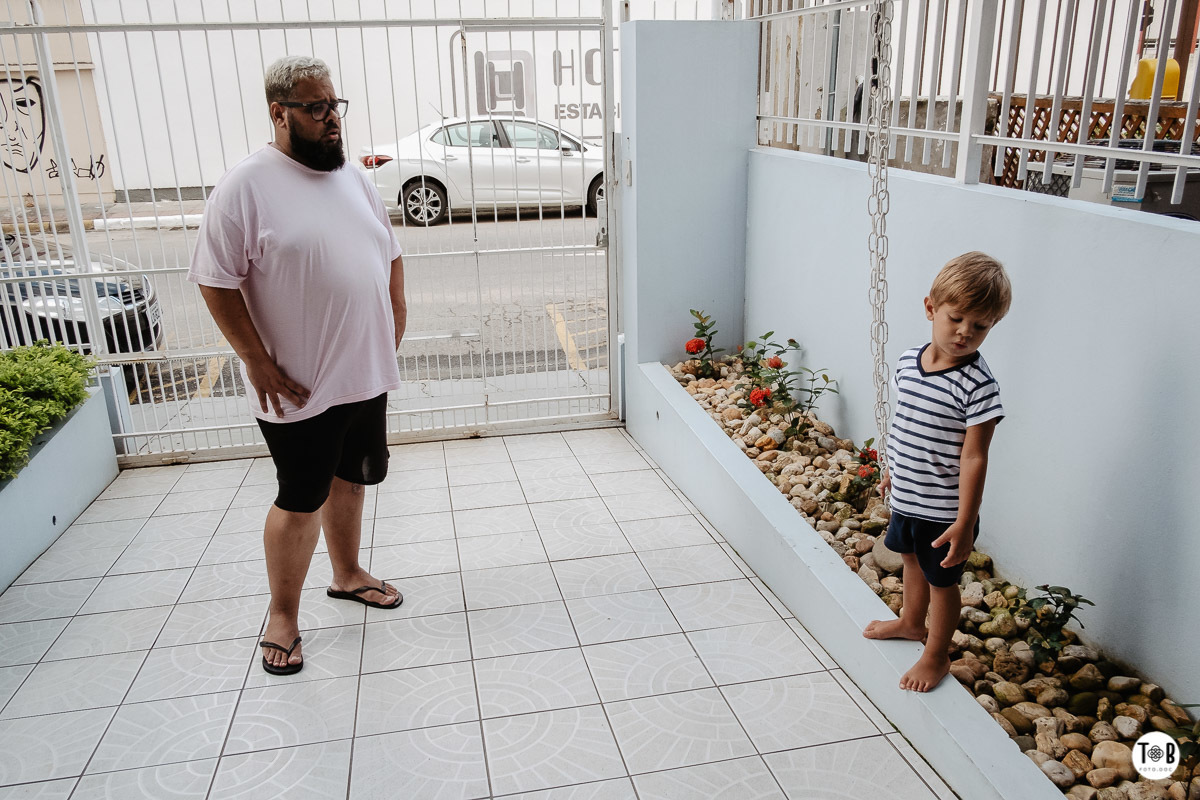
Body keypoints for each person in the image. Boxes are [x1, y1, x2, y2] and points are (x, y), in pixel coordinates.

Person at [189, 56, 407, 675]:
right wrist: (255, 361)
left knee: (352, 477)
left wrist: (396, 302)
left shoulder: (353, 177)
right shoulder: (245, 187)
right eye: (316, 108)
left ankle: (347, 574)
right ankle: (282, 615)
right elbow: (214, 280)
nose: (331, 118)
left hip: (363, 368)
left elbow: (388, 247)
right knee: (300, 495)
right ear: (279, 113)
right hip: (298, 382)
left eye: (335, 105)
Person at [863, 252, 1011, 692]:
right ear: (931, 308)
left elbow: (974, 457)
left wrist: (965, 523)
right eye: (957, 317)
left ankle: (936, 655)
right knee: (910, 560)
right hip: (909, 496)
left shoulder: (979, 387)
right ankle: (911, 622)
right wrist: (892, 468)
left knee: (943, 583)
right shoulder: (910, 362)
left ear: (992, 326)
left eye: (980, 325)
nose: (965, 332)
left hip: (945, 512)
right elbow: (905, 423)